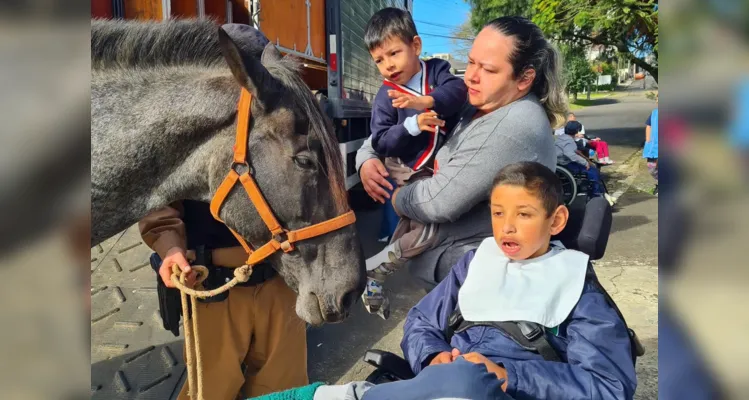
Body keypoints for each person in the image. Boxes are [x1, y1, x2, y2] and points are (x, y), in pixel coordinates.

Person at [249, 162, 636, 400]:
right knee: (459, 380)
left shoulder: (576, 288)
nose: (507, 227)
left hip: (503, 391)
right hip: (442, 381)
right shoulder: (475, 263)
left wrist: (507, 375)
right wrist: (434, 356)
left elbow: (608, 386)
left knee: (468, 383)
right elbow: (421, 323)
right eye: (499, 213)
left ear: (557, 221)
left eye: (524, 214)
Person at [357, 16, 565, 291]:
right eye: (470, 62)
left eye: (488, 70)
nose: (470, 77)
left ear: (525, 78)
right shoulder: (478, 102)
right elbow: (383, 134)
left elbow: (436, 202)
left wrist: (396, 197)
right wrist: (366, 160)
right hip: (454, 279)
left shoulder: (512, 125)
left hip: (482, 289)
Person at [360, 7, 468, 318]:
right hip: (409, 169)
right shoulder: (385, 95)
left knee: (411, 226)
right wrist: (411, 125)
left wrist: (426, 102)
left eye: (394, 53)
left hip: (433, 167)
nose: (388, 65)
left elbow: (458, 91)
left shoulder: (436, 71)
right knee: (430, 228)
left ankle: (376, 274)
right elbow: (380, 140)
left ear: (416, 46)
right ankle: (375, 269)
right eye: (379, 60)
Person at [139, 201, 308, 399]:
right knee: (213, 386)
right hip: (211, 282)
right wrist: (170, 246)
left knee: (285, 386)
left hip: (282, 273)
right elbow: (160, 201)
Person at [556, 120, 615, 205]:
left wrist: (585, 158)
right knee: (593, 171)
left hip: (562, 162)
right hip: (566, 164)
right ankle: (596, 195)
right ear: (576, 131)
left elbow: (574, 151)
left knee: (593, 167)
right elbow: (571, 155)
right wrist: (585, 162)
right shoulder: (569, 141)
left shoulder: (563, 137)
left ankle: (603, 194)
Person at [644, 98, 659, 195]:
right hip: (653, 147)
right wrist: (648, 139)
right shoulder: (654, 113)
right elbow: (649, 125)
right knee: (652, 168)